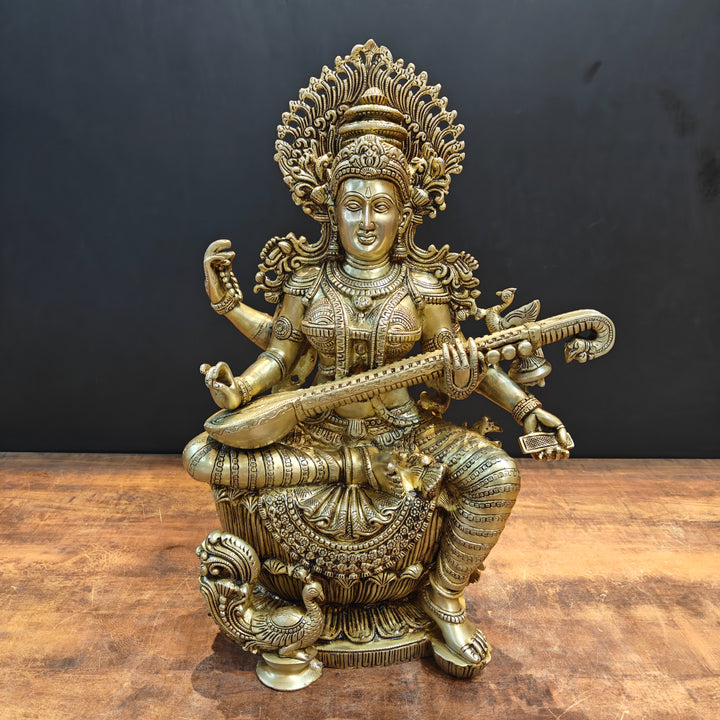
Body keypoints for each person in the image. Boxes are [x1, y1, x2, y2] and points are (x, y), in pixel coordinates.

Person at [183, 49, 569, 669]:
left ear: (403, 213)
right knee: (203, 454)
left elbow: (466, 361)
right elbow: (280, 354)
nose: (367, 221)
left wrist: (524, 407)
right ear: (331, 210)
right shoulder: (309, 282)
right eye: (353, 205)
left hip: (404, 437)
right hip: (316, 438)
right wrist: (240, 391)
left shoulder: (421, 290)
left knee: (497, 475)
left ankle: (442, 597)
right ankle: (296, 575)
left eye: (381, 205)